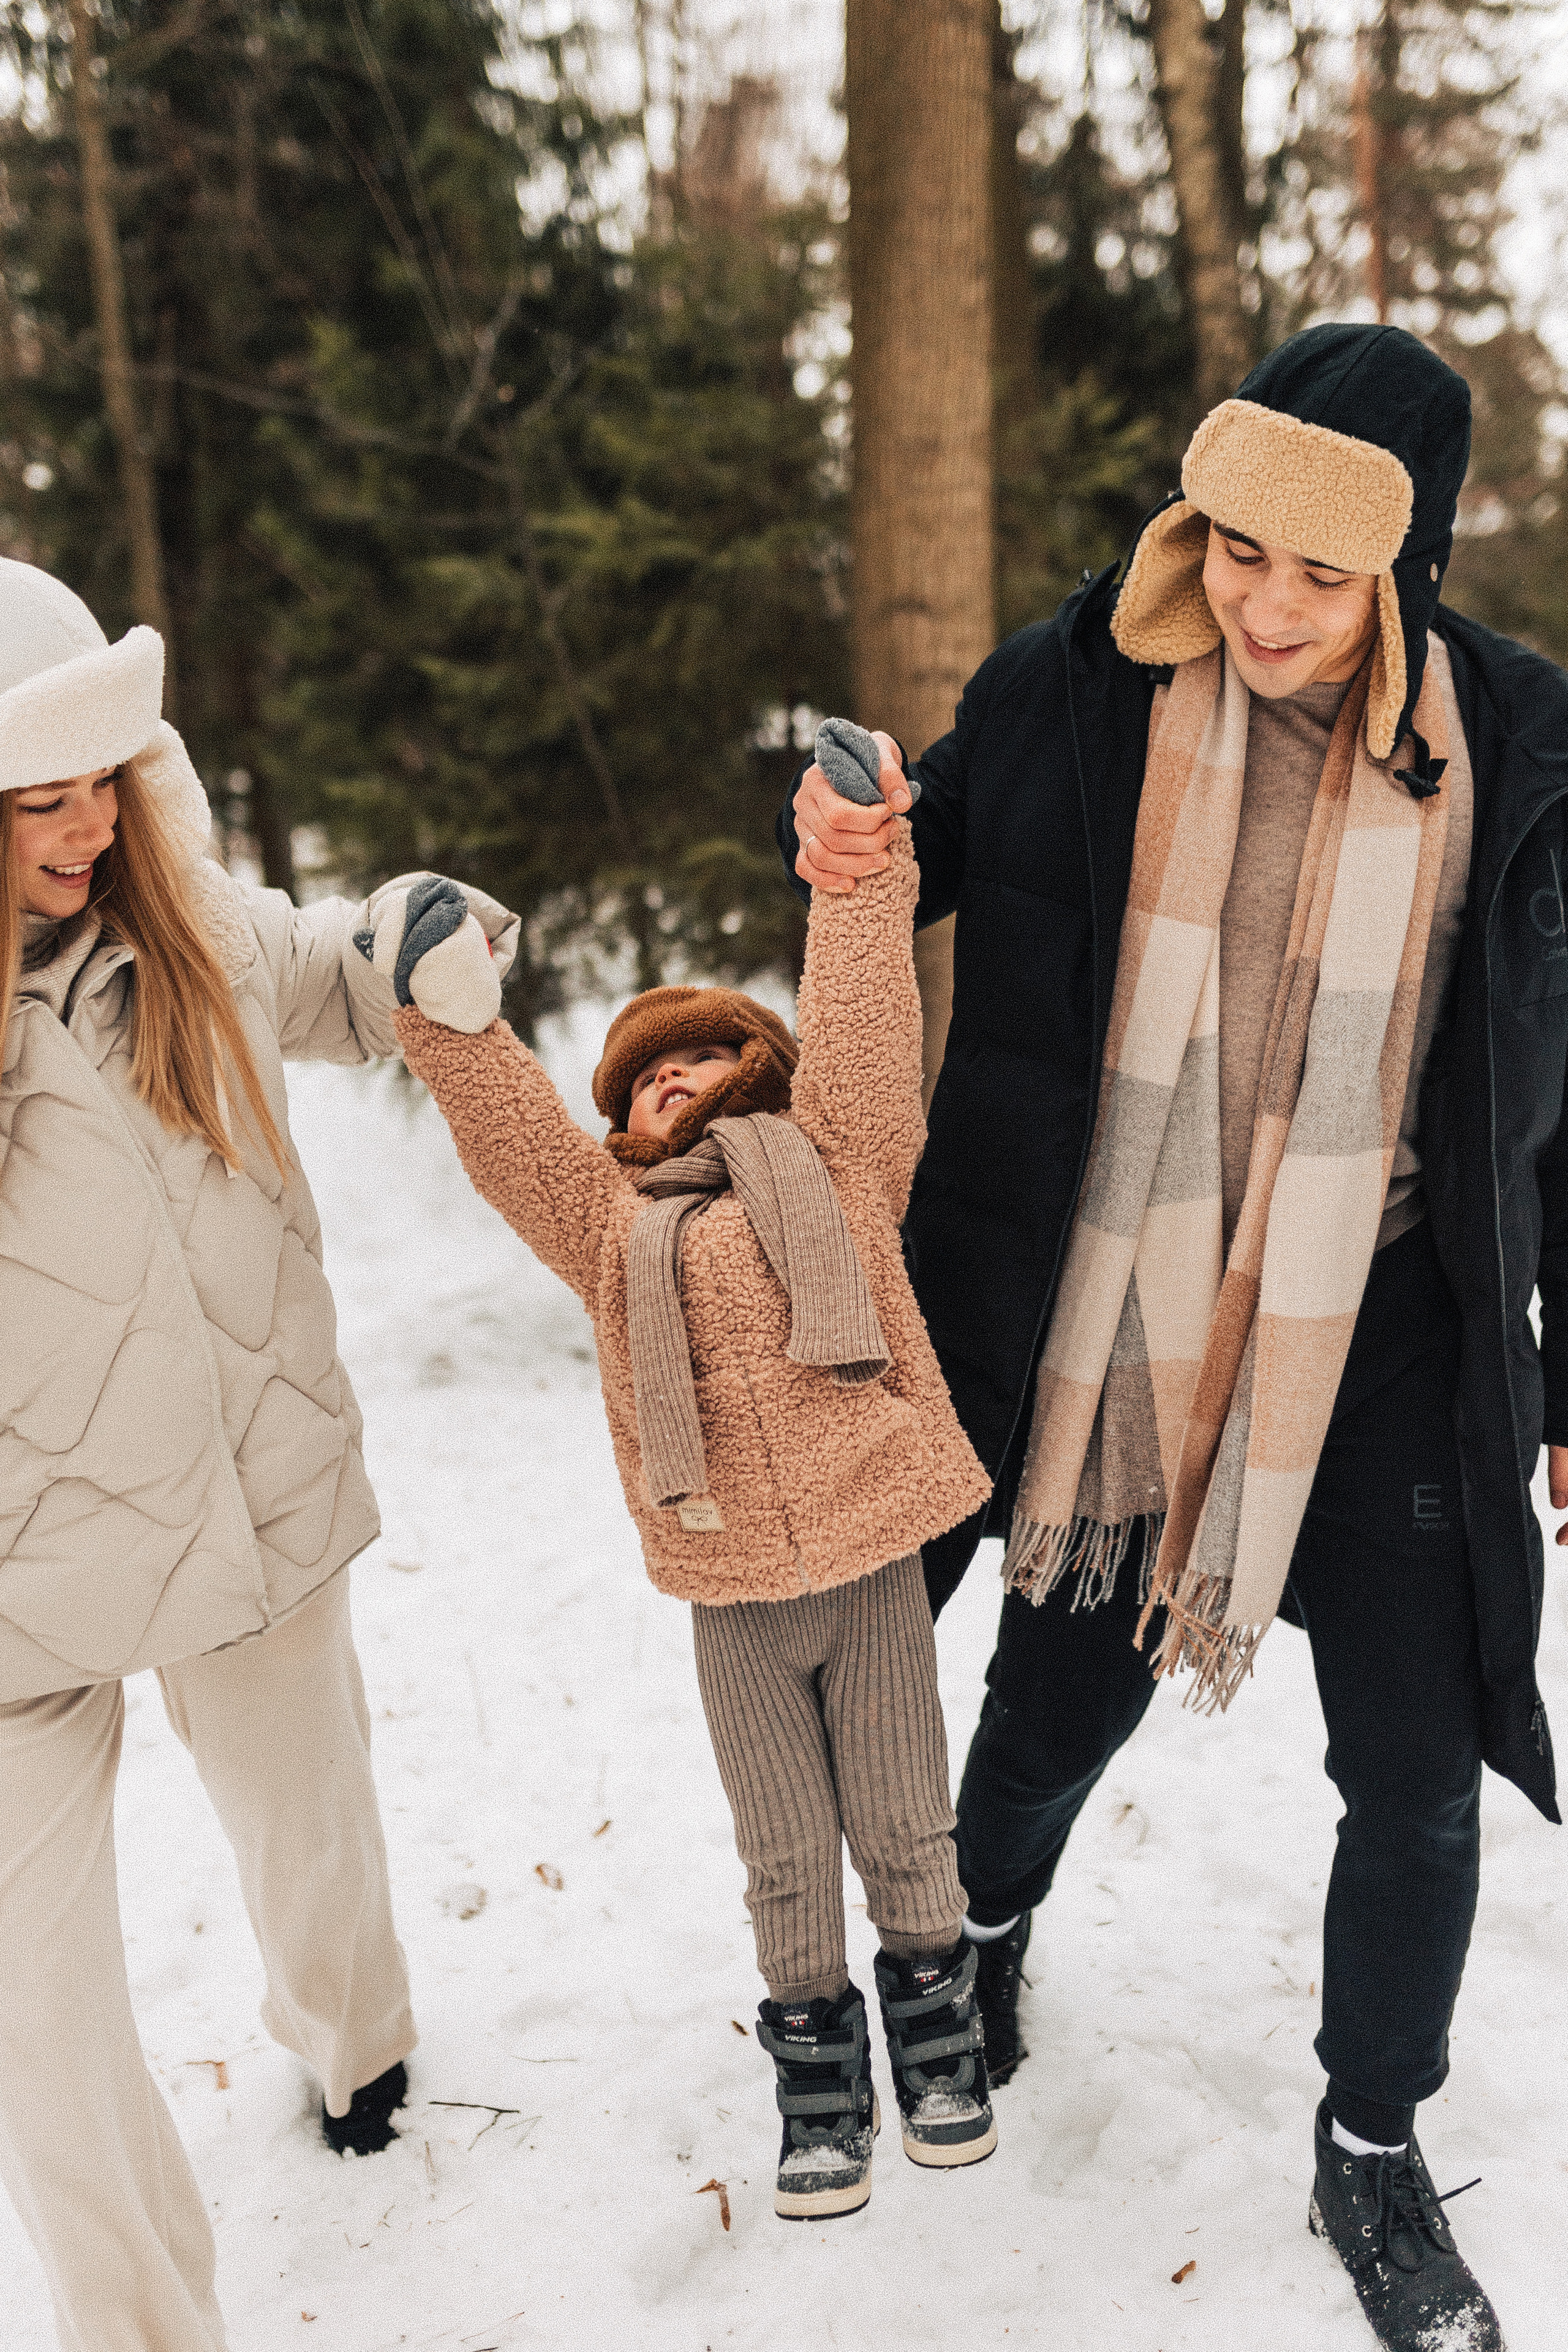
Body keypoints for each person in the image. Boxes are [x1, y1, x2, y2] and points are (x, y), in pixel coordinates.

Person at [778, 322, 1567, 2351]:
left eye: (1319, 571)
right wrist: (860, 841)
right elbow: (930, 837)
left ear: (1402, 566)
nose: (1267, 605)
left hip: (1384, 1330)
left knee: (1415, 1774)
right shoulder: (1076, 683)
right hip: (1117, 1323)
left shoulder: (1525, 748)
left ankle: (1374, 2148)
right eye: (1238, 550)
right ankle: (989, 1930)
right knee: (1054, 1716)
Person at [0, 557, 518, 2352]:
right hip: (16, 1582)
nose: (82, 830)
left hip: (242, 1493)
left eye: (101, 784)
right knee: (40, 2024)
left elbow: (336, 980)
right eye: (34, 802)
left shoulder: (183, 919)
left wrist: (426, 937)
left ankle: (356, 2049)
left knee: (311, 1826)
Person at [383, 750, 997, 2222]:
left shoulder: (840, 1160)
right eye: (644, 1079)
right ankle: (817, 2075)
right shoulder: (607, 1227)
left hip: (866, 1560)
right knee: (782, 1846)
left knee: (906, 1820)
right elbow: (518, 1137)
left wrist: (854, 871)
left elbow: (859, 1011)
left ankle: (936, 2032)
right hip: (726, 1584)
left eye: (701, 1057)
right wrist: (443, 1016)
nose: (669, 1076)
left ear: (761, 1075)